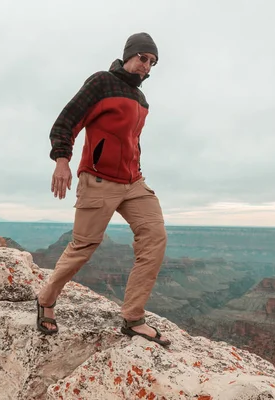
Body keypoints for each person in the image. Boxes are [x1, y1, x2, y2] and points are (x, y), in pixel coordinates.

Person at [35, 32, 170, 347]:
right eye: (142, 58)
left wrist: (134, 166)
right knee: (84, 246)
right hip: (98, 179)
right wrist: (62, 162)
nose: (146, 67)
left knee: (155, 236)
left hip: (133, 182)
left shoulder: (141, 100)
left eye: (152, 63)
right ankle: (45, 298)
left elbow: (130, 140)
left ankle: (133, 318)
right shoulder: (101, 83)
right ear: (128, 55)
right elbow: (65, 123)